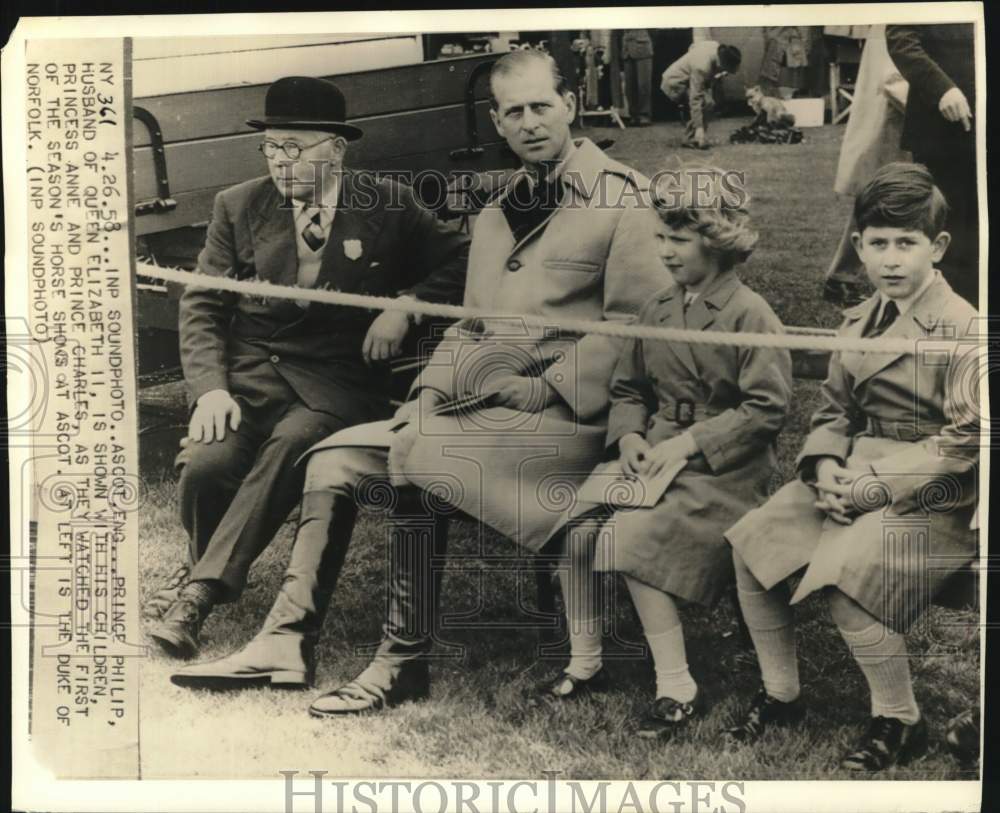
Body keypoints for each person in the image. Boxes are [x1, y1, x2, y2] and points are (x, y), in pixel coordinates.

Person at [238, 48, 664, 717]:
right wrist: (428, 396)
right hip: (481, 413)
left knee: (425, 456)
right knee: (334, 458)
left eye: (541, 106)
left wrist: (543, 389)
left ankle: (401, 661)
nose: (529, 123)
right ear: (496, 122)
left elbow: (636, 330)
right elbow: (470, 327)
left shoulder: (624, 198)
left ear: (571, 105)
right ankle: (284, 640)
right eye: (513, 112)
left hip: (574, 422)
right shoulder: (497, 211)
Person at [147, 75, 470, 660]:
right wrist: (210, 391)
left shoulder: (389, 203)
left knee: (289, 449)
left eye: (295, 146)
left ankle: (197, 596)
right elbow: (202, 304)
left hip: (336, 384)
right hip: (252, 375)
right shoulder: (238, 205)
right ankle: (201, 565)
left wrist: (406, 305)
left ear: (337, 148)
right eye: (271, 147)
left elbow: (461, 258)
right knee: (207, 464)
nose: (281, 160)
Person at [725, 162, 980, 771]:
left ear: (937, 246)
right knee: (754, 543)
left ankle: (899, 719)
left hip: (934, 494)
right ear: (858, 246)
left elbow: (966, 439)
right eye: (878, 244)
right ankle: (782, 695)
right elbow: (835, 411)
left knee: (848, 580)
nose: (891, 260)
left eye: (906, 243)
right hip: (848, 477)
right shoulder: (860, 319)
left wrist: (874, 485)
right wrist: (822, 468)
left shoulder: (963, 326)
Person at [538, 166, 792, 732]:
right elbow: (629, 388)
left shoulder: (749, 314)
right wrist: (629, 435)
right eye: (660, 237)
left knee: (629, 541)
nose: (665, 251)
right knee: (575, 530)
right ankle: (586, 661)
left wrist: (689, 443)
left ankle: (676, 684)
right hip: (652, 455)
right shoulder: (656, 308)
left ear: (718, 240)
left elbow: (767, 409)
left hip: (720, 471)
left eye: (678, 239)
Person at [887, 24, 977, 307]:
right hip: (945, 129)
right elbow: (902, 42)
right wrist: (942, 89)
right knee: (949, 234)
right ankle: (945, 318)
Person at [823, 25, 910, 307]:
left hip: (893, 125)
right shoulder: (891, 22)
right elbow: (893, 81)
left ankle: (842, 277)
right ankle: (841, 278)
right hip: (891, 127)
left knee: (880, 204)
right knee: (879, 204)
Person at [660, 41, 741, 149]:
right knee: (705, 103)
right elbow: (695, 99)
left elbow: (693, 46)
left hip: (687, 79)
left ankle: (694, 137)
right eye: (726, 70)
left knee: (709, 103)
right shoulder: (701, 67)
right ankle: (694, 137)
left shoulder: (715, 47)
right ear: (722, 64)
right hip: (674, 83)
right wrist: (699, 127)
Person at [621, 29, 654, 126]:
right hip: (627, 50)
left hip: (643, 47)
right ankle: (633, 115)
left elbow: (654, 30)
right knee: (629, 86)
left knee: (643, 85)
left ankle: (644, 115)